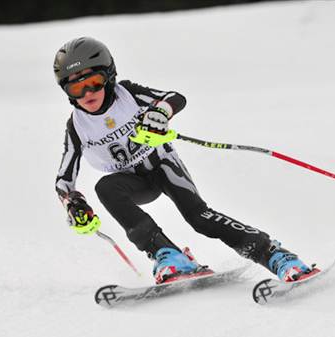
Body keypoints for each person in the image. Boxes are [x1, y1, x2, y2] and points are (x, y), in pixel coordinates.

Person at [54, 37, 312, 284]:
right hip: (132, 182)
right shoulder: (77, 127)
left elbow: (175, 98)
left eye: (94, 82)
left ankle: (274, 255)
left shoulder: (128, 95)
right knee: (105, 188)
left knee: (199, 217)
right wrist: (73, 204)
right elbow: (65, 179)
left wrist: (160, 112)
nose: (87, 92)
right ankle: (168, 255)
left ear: (109, 76)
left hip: (162, 167)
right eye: (76, 87)